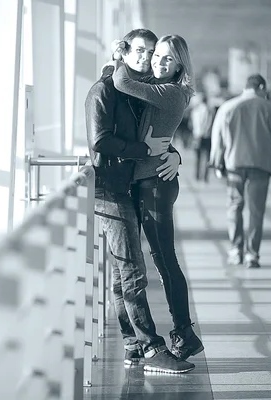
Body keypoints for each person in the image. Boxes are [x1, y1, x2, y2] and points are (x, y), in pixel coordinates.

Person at [85, 28, 194, 374]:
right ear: (125, 50)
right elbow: (102, 140)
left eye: (155, 54)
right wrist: (145, 150)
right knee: (130, 270)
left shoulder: (140, 91)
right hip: (109, 189)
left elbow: (155, 133)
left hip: (135, 186)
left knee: (129, 270)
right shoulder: (104, 90)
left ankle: (140, 343)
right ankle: (148, 347)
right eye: (143, 52)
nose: (149, 59)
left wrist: (173, 154)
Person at [108, 34, 204, 363]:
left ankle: (185, 333)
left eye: (166, 58)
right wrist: (175, 152)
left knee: (166, 262)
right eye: (156, 55)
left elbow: (121, 81)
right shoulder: (158, 86)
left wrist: (119, 55)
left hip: (156, 186)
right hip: (150, 180)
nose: (158, 62)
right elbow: (153, 133)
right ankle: (175, 333)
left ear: (180, 66)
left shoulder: (171, 92)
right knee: (161, 262)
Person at [210, 74, 271, 268]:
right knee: (256, 211)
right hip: (261, 165)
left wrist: (217, 163)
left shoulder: (227, 107)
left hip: (234, 164)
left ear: (246, 88)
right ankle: (252, 255)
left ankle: (235, 250)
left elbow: (217, 137)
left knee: (234, 207)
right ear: (261, 87)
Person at [189, 94, 215, 182]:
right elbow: (208, 123)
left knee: (198, 157)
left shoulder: (195, 110)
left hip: (196, 135)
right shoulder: (208, 110)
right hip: (206, 136)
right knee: (207, 157)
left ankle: (197, 176)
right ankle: (205, 177)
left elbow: (191, 124)